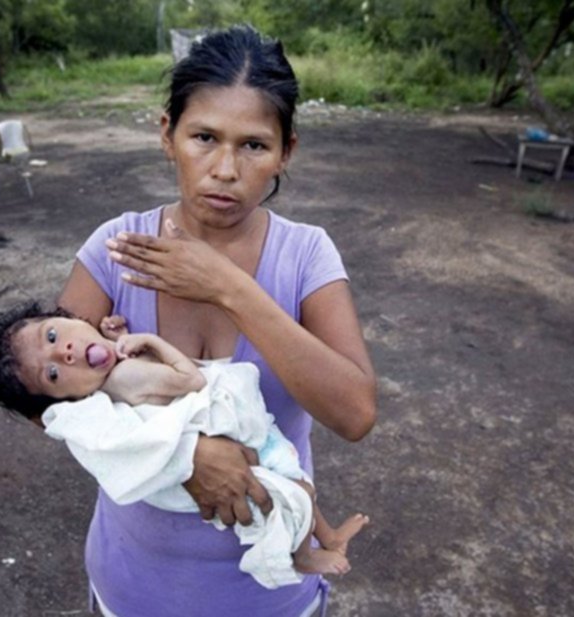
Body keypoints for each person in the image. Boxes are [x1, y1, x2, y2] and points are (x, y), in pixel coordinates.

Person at [55, 24, 375, 616]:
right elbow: (38, 393)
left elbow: (354, 413)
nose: (225, 169)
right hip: (131, 588)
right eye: (204, 136)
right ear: (167, 134)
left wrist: (229, 288)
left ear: (287, 152)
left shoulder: (306, 256)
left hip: (270, 598)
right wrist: (185, 456)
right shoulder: (115, 251)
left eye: (254, 145)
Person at [0, 304, 369, 588]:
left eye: (53, 335)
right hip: (230, 449)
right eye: (53, 373)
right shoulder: (124, 379)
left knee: (300, 489)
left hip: (149, 569)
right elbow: (190, 381)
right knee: (298, 491)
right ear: (63, 402)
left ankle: (326, 538)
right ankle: (304, 553)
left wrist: (114, 340)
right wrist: (153, 343)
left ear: (69, 317)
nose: (65, 351)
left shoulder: (107, 376)